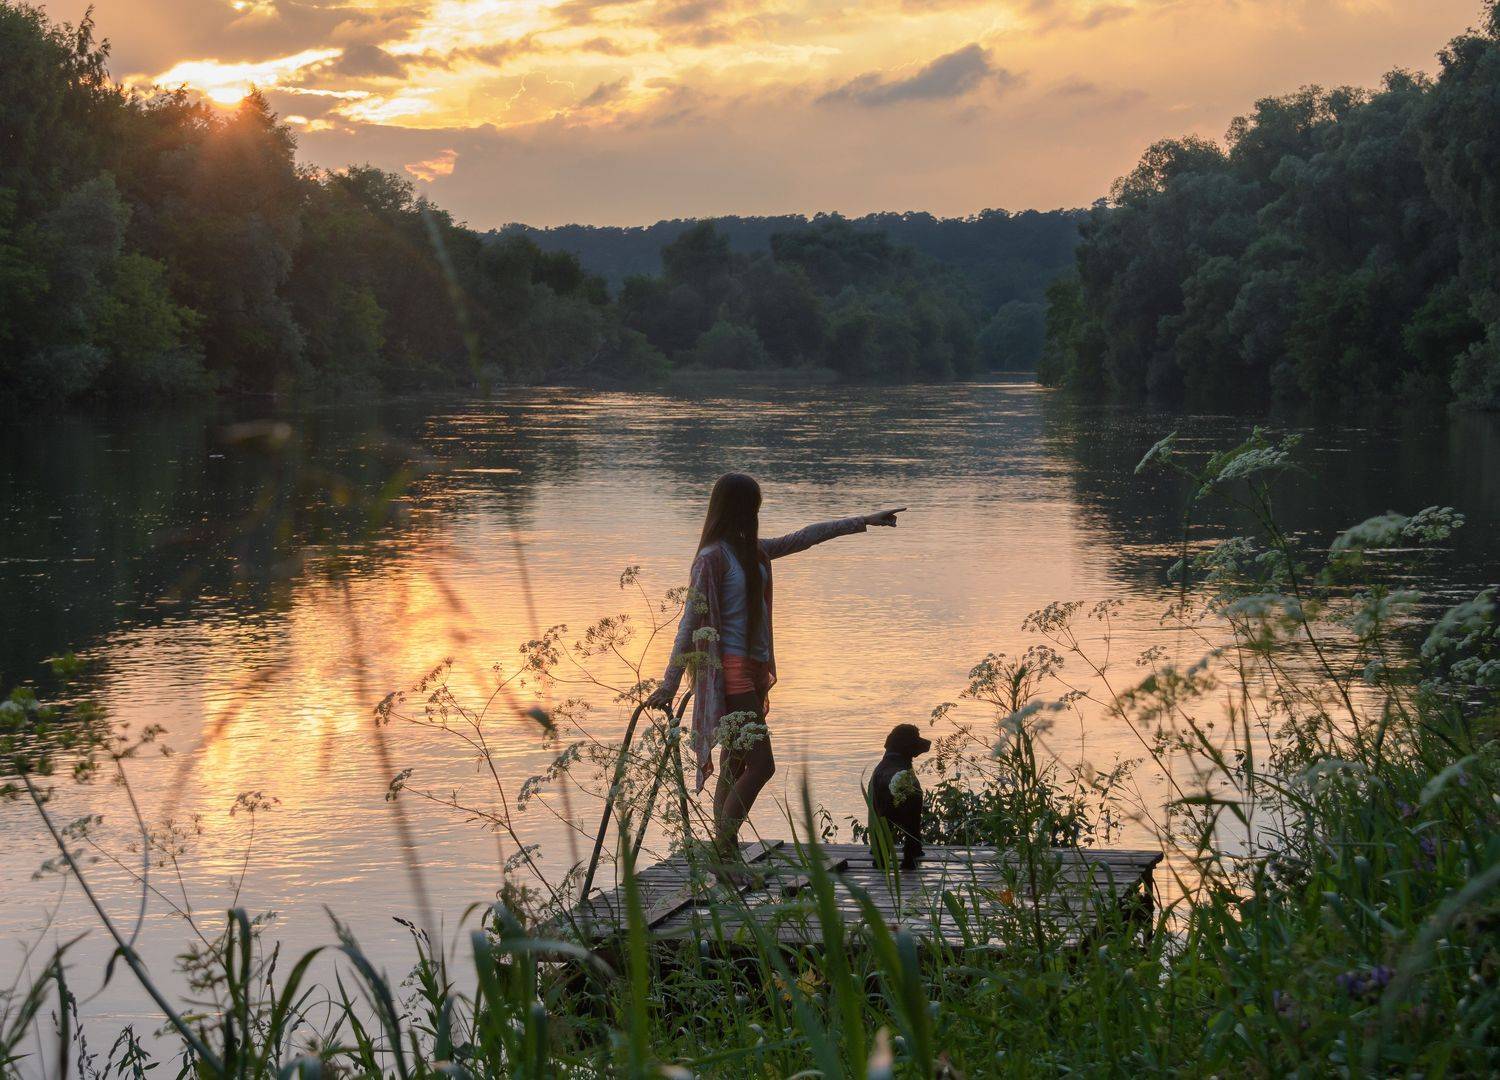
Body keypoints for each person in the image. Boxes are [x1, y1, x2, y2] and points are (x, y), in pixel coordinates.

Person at [646, 472, 904, 864]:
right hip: (729, 671)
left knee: (736, 760)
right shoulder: (711, 558)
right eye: (752, 506)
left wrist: (864, 521)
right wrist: (669, 684)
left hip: (752, 669)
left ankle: (725, 855)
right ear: (737, 508)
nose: (756, 513)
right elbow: (689, 623)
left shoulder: (753, 551)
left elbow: (804, 537)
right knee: (762, 764)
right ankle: (724, 854)